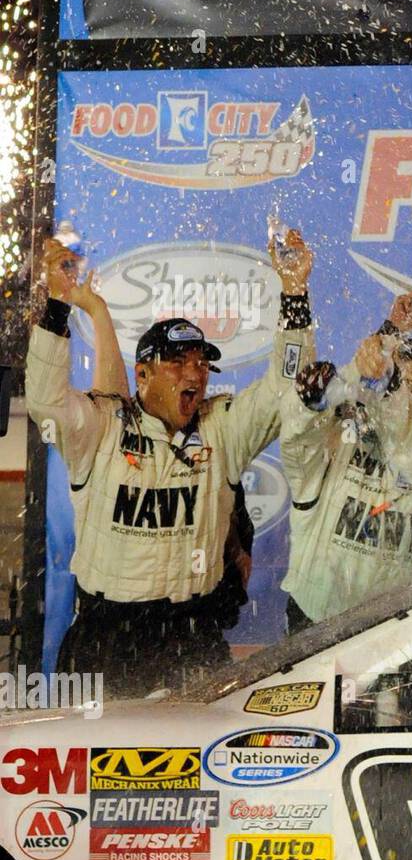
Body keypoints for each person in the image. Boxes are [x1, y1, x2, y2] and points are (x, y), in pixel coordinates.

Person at [27, 229, 315, 694]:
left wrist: (295, 292)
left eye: (201, 363)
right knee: (100, 743)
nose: (194, 373)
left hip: (192, 635)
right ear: (142, 374)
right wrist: (58, 306)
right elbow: (45, 401)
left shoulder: (223, 429)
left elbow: (287, 389)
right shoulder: (103, 426)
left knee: (200, 745)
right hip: (108, 636)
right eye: (178, 362)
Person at [280, 292, 412, 631]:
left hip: (394, 629)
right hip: (315, 621)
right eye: (401, 387)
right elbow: (298, 424)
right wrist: (381, 345)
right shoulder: (337, 434)